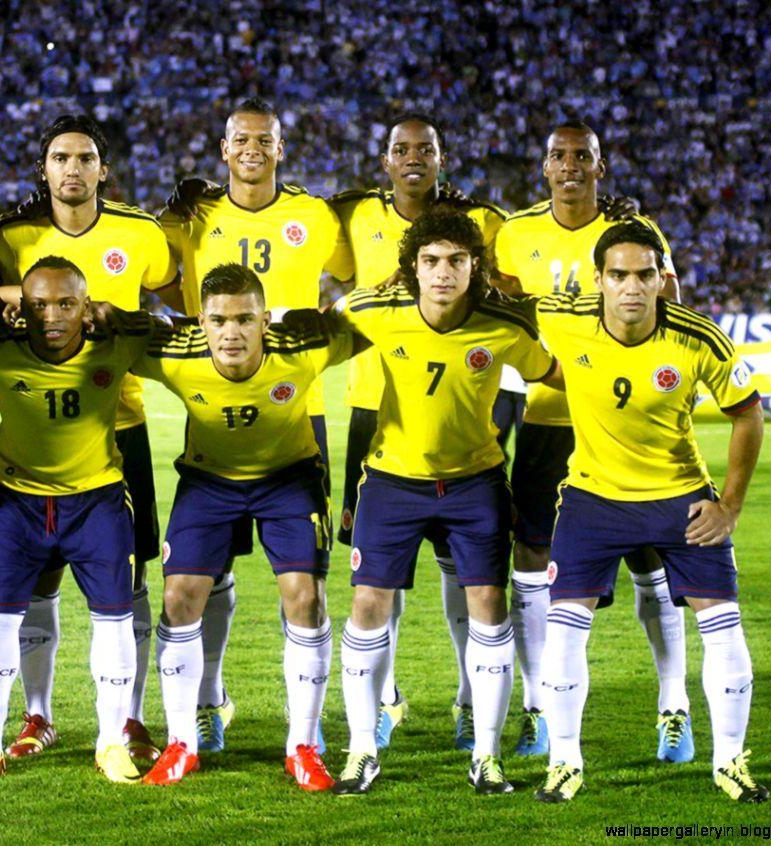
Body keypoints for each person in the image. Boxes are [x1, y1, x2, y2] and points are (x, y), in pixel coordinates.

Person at [531, 221, 766, 804]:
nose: (632, 287)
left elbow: (748, 413)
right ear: (599, 280)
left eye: (645, 275)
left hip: (681, 497)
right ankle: (564, 762)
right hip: (592, 498)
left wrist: (729, 505)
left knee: (723, 626)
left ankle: (730, 763)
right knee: (563, 632)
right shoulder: (564, 318)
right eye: (618, 275)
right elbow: (496, 307)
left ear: (664, 279)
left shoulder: (697, 336)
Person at [330, 210, 556, 795]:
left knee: (487, 601)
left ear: (475, 266)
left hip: (474, 482)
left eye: (456, 260)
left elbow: (557, 373)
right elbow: (319, 331)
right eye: (430, 260)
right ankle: (360, 750)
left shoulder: (503, 326)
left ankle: (486, 755)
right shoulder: (375, 310)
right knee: (368, 607)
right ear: (412, 268)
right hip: (391, 481)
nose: (443, 272)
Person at [493, 120, 692, 761]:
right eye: (559, 155)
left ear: (600, 168)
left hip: (627, 421)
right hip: (547, 417)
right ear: (544, 167)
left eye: (584, 156)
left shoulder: (635, 234)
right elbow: (497, 308)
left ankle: (674, 709)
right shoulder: (515, 233)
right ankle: (537, 711)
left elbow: (675, 311)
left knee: (650, 560)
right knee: (532, 558)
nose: (570, 165)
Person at [159, 96, 353, 751]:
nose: (251, 150)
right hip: (215, 412)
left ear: (280, 147)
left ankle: (316, 724)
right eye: (240, 139)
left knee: (304, 583)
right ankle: (210, 701)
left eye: (263, 140)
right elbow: (158, 278)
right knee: (204, 575)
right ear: (222, 148)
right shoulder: (191, 217)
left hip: (300, 418)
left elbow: (360, 275)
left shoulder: (314, 214)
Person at [0, 114, 179, 762]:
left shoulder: (140, 233)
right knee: (37, 583)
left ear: (103, 169)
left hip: (119, 428)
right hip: (35, 434)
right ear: (44, 168)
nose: (72, 169)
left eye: (85, 158)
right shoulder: (12, 235)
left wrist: (116, 313)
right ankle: (36, 714)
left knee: (131, 582)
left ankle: (128, 717)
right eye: (60, 157)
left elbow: (171, 309)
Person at [131, 263, 352, 790]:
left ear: (266, 321)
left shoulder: (301, 347)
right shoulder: (174, 351)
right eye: (219, 320)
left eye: (245, 319)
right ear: (199, 322)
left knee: (306, 599)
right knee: (179, 595)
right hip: (209, 481)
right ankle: (182, 742)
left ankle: (303, 743)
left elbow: (374, 320)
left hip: (289, 479)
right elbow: (109, 333)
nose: (231, 332)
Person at [330, 112, 507, 751]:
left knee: (467, 574)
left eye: (424, 149)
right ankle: (384, 698)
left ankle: (469, 697)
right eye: (400, 148)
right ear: (384, 159)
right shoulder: (349, 215)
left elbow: (510, 298)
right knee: (375, 572)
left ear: (441, 157)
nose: (413, 158)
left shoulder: (481, 222)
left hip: (459, 417)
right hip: (371, 415)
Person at [0, 257, 154, 788]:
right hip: (15, 504)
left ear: (87, 307)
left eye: (66, 303)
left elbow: (171, 331)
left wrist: (123, 315)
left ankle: (111, 742)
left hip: (97, 503)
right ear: (23, 308)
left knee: (113, 618)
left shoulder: (116, 344)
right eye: (38, 304)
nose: (52, 316)